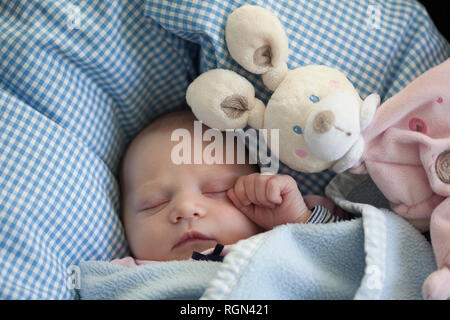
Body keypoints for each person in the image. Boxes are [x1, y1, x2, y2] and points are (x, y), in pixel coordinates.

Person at [115, 110, 344, 266]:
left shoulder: (284, 240)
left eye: (217, 191)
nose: (186, 208)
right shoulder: (120, 278)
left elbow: (345, 262)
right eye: (155, 203)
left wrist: (299, 219)